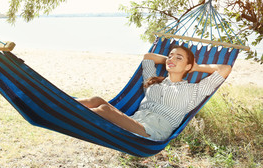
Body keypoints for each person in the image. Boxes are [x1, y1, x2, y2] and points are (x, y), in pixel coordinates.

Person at [77, 45, 232, 140]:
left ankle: (68, 115)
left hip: (152, 132)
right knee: (96, 100)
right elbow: (148, 57)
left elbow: (225, 69)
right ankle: (61, 107)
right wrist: (170, 60)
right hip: (133, 121)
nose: (172, 59)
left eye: (179, 58)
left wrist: (196, 67)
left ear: (188, 67)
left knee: (105, 109)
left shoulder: (194, 90)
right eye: (170, 55)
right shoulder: (153, 82)